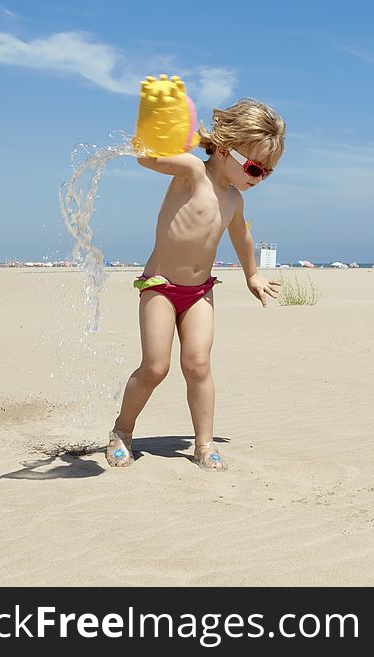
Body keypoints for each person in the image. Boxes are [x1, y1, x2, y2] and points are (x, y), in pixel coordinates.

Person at [106, 98, 286, 471]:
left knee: (198, 364)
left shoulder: (234, 199)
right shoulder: (191, 171)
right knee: (155, 367)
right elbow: (148, 160)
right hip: (160, 285)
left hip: (200, 291)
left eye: (267, 173)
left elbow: (242, 239)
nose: (259, 178)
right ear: (223, 150)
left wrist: (252, 274)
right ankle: (123, 430)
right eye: (254, 168)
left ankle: (203, 443)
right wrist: (151, 133)